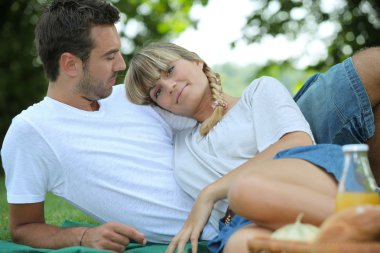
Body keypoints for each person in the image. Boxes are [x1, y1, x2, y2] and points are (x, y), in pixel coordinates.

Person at [0, 1, 218, 252]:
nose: (121, 65)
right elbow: (23, 227)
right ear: (70, 64)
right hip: (212, 235)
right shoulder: (32, 131)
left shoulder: (133, 96)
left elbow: (214, 124)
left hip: (240, 198)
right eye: (110, 56)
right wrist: (82, 235)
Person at [125, 42, 380, 253]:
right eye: (157, 92)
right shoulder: (181, 146)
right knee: (240, 245)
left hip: (304, 180)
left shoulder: (257, 93)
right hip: (241, 219)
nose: (169, 86)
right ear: (162, 108)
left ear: (196, 62)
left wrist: (211, 193)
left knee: (246, 190)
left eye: (169, 70)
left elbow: (296, 142)